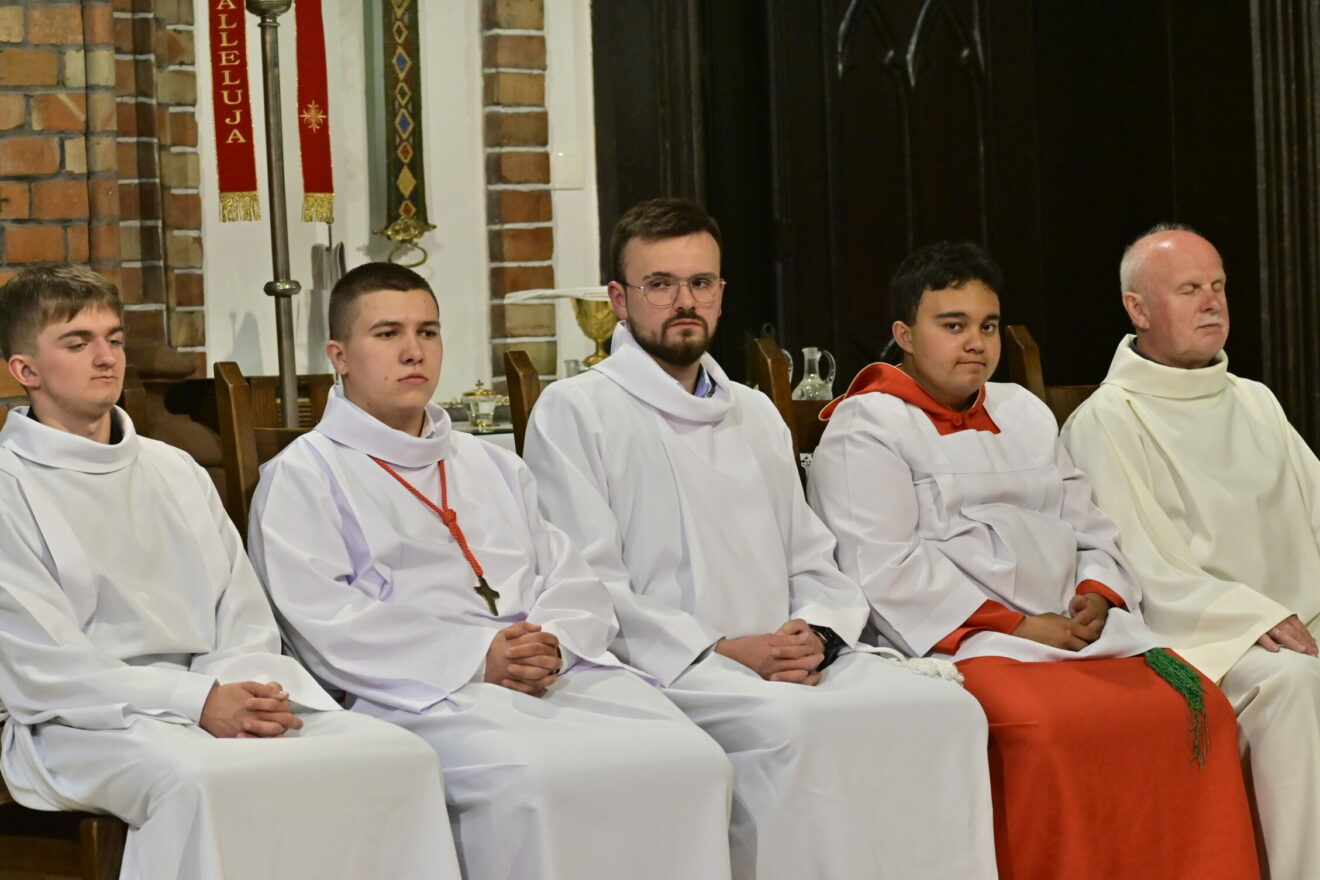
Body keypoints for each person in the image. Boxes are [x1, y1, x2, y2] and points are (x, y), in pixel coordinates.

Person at [523, 198, 998, 880]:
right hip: (673, 667)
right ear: (619, 300)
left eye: (701, 283)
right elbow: (588, 581)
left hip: (790, 656)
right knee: (796, 731)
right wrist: (722, 648)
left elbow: (812, 557)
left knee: (944, 712)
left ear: (721, 293)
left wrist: (818, 632)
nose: (684, 302)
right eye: (660, 284)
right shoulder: (577, 411)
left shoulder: (753, 412)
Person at [248, 261, 734, 880]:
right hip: (422, 694)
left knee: (694, 759)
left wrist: (551, 643)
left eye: (428, 332)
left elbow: (570, 576)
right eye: (387, 334)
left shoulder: (493, 464)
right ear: (339, 355)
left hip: (552, 674)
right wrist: (481, 656)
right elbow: (324, 623)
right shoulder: (304, 475)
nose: (413, 351)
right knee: (539, 779)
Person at [806, 241, 1261, 880]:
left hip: (1076, 631)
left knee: (1195, 708)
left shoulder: (1021, 410)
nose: (976, 343)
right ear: (904, 336)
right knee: (1046, 728)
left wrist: (1097, 594)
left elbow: (1089, 524)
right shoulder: (867, 426)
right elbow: (882, 569)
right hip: (966, 642)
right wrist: (1021, 626)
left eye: (988, 326)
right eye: (953, 325)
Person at [0, 265, 459, 880]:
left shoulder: (174, 468)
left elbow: (242, 610)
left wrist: (244, 691)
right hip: (79, 722)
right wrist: (195, 702)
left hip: (217, 692)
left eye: (114, 339)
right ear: (25, 370)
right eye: (77, 343)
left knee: (398, 757)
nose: (106, 358)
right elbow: (43, 666)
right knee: (200, 781)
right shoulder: (10, 486)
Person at [1061, 224, 1320, 878]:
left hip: (1297, 619)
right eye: (1189, 290)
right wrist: (1253, 616)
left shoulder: (1255, 401)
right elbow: (1142, 567)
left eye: (1218, 286)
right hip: (1209, 638)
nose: (1212, 303)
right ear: (1138, 309)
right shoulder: (1108, 420)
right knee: (1292, 683)